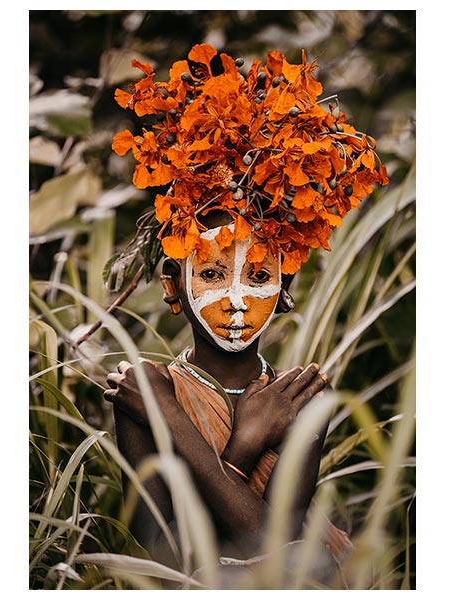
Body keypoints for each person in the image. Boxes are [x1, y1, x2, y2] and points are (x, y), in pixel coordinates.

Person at [103, 43, 388, 578]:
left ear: (284, 289)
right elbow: (168, 554)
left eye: (259, 276)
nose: (236, 299)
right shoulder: (140, 390)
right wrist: (248, 440)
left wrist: (173, 420)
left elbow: (267, 545)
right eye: (210, 274)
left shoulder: (299, 397)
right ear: (174, 286)